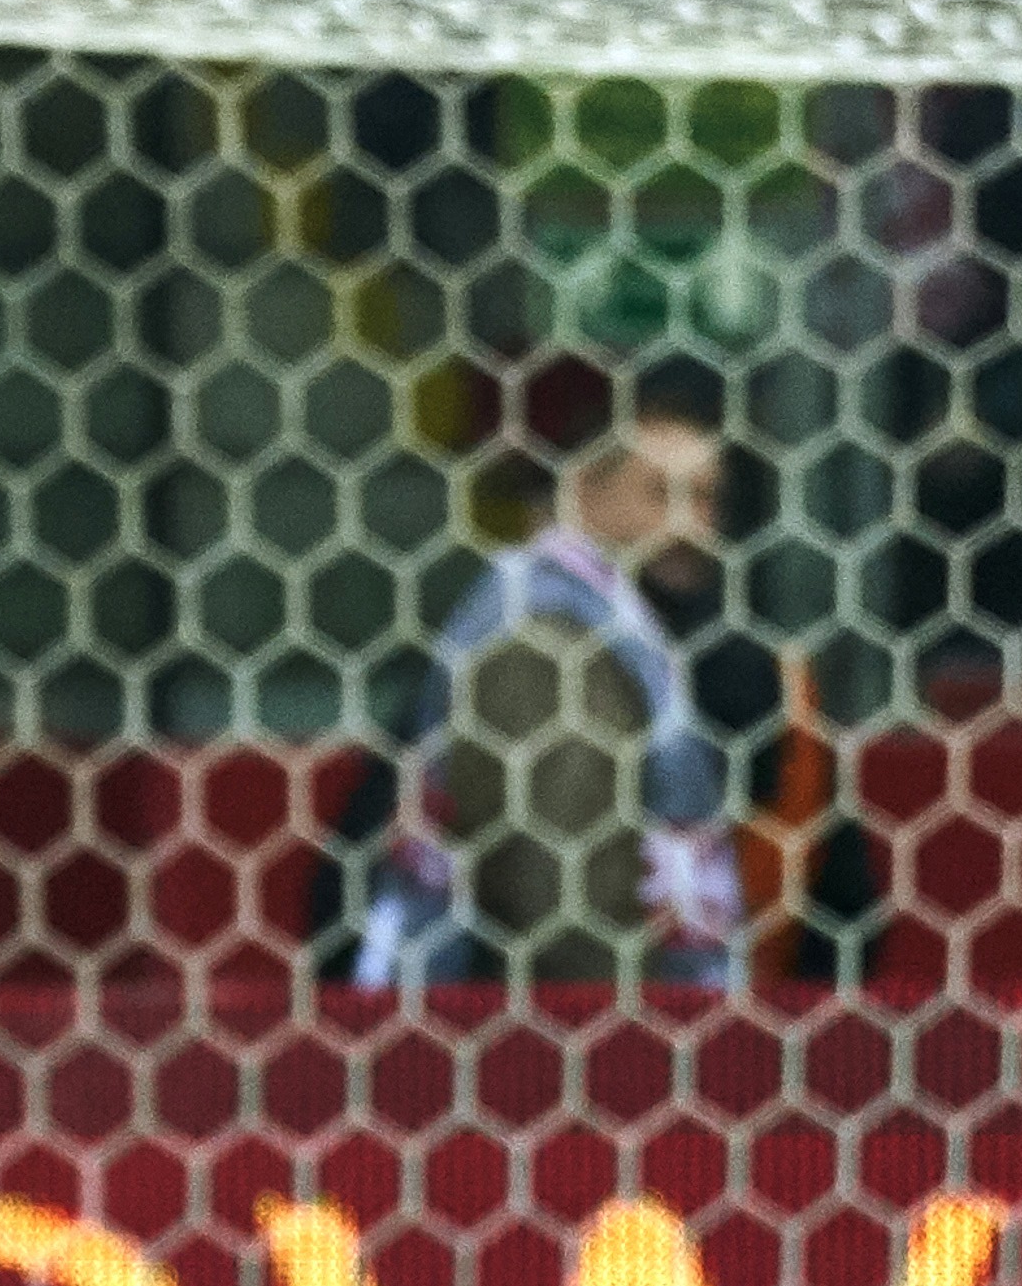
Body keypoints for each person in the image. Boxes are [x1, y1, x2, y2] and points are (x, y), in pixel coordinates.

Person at [326, 387, 866, 988]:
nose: (689, 526)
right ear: (581, 493)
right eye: (659, 494)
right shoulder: (544, 649)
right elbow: (566, 914)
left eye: (708, 499)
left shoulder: (693, 658)